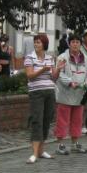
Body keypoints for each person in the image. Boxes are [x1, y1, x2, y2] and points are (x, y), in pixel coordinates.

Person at [54, 33, 87, 155]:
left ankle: (75, 144)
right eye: (73, 42)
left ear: (80, 44)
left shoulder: (86, 59)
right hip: (65, 94)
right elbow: (59, 74)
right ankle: (60, 145)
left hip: (79, 95)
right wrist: (70, 82)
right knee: (62, 120)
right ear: (69, 44)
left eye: (77, 42)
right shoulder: (62, 57)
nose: (75, 44)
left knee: (77, 120)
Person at [24, 33, 58, 163]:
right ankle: (34, 153)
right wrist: (42, 70)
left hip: (49, 91)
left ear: (44, 44)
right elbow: (30, 76)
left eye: (38, 42)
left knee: (46, 120)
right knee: (37, 120)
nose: (36, 44)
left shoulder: (50, 58)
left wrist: (59, 69)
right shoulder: (29, 57)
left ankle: (41, 150)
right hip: (36, 92)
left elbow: (54, 77)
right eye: (35, 42)